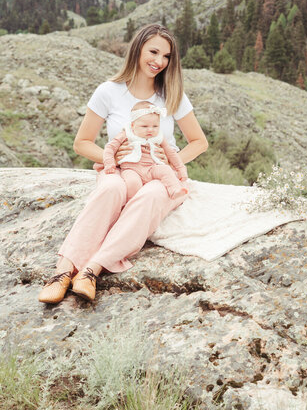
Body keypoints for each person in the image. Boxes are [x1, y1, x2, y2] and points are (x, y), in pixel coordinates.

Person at [38, 24, 208, 305]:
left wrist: (173, 161)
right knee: (110, 190)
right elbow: (82, 142)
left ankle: (92, 270)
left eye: (166, 56)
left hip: (159, 173)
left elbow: (199, 141)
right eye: (153, 51)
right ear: (138, 48)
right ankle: (63, 272)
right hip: (122, 168)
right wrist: (113, 157)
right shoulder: (109, 91)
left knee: (153, 194)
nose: (159, 61)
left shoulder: (172, 94)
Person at [102, 101, 188, 199]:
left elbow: (171, 153)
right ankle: (131, 203)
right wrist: (109, 163)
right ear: (133, 125)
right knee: (133, 183)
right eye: (144, 126)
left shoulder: (159, 137)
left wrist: (181, 169)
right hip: (131, 169)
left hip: (152, 168)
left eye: (155, 126)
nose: (150, 130)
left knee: (166, 170)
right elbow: (110, 148)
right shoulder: (126, 134)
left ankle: (174, 190)